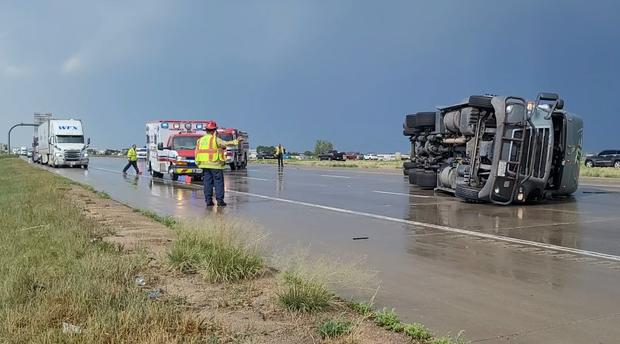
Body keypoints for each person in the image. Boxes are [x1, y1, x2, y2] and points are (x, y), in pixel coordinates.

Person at [195, 121, 241, 207]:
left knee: (207, 183)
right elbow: (226, 143)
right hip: (215, 164)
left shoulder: (200, 140)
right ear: (214, 130)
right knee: (218, 183)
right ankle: (220, 201)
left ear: (206, 130)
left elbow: (196, 152)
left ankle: (208, 201)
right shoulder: (215, 139)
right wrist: (236, 141)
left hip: (204, 165)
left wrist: (197, 162)